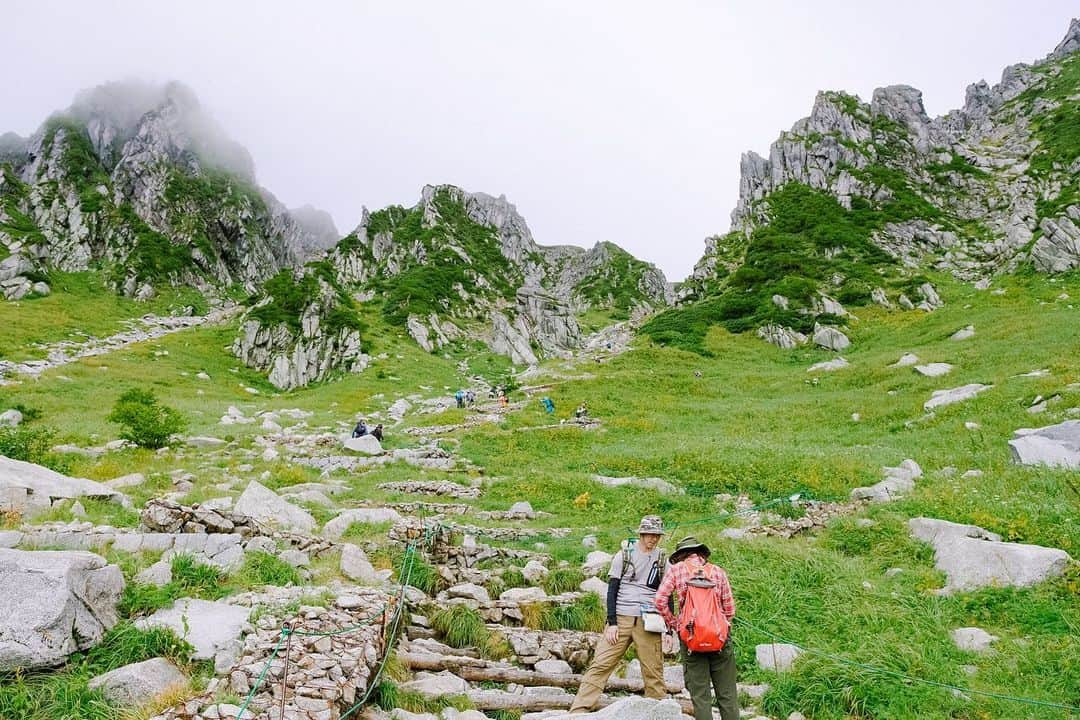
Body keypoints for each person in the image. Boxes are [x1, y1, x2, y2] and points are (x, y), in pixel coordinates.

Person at [569, 516, 669, 713]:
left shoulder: (663, 559)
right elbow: (612, 589)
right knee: (601, 663)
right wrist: (612, 622)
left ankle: (660, 712)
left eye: (657, 535)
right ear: (641, 534)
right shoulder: (623, 556)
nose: (653, 539)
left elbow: (667, 594)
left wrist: (669, 629)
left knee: (653, 670)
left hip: (649, 619)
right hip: (622, 616)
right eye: (650, 534)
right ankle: (579, 710)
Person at [654, 536, 737, 720]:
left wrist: (675, 624)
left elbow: (659, 600)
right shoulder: (717, 571)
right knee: (728, 695)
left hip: (691, 638)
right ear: (701, 554)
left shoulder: (677, 571)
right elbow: (730, 609)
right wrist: (718, 627)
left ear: (680, 555)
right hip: (720, 639)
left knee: (701, 698)